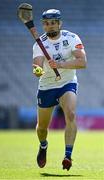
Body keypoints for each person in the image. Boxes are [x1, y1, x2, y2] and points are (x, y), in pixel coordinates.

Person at [32, 9, 87, 170]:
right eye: (46, 23)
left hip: (67, 83)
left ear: (59, 23)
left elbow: (82, 62)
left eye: (53, 23)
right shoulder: (39, 44)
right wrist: (38, 70)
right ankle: (43, 146)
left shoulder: (71, 38)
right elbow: (37, 65)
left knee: (70, 114)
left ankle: (68, 156)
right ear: (43, 25)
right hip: (47, 86)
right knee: (42, 127)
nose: (49, 26)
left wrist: (61, 65)